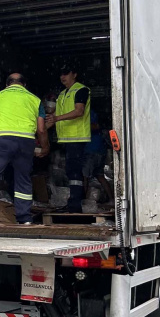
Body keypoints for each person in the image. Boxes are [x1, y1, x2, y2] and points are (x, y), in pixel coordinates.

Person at [0, 74, 49, 225]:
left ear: (7, 85)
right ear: (24, 85)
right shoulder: (34, 99)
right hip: (26, 142)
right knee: (23, 178)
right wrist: (45, 147)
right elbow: (41, 128)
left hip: (2, 140)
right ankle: (24, 218)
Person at [46, 65, 91, 213]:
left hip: (77, 137)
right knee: (71, 171)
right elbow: (54, 115)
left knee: (74, 171)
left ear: (75, 74)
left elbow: (79, 111)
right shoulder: (62, 94)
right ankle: (73, 203)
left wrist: (56, 118)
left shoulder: (81, 90)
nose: (62, 77)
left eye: (66, 73)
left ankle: (75, 205)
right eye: (61, 74)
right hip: (67, 139)